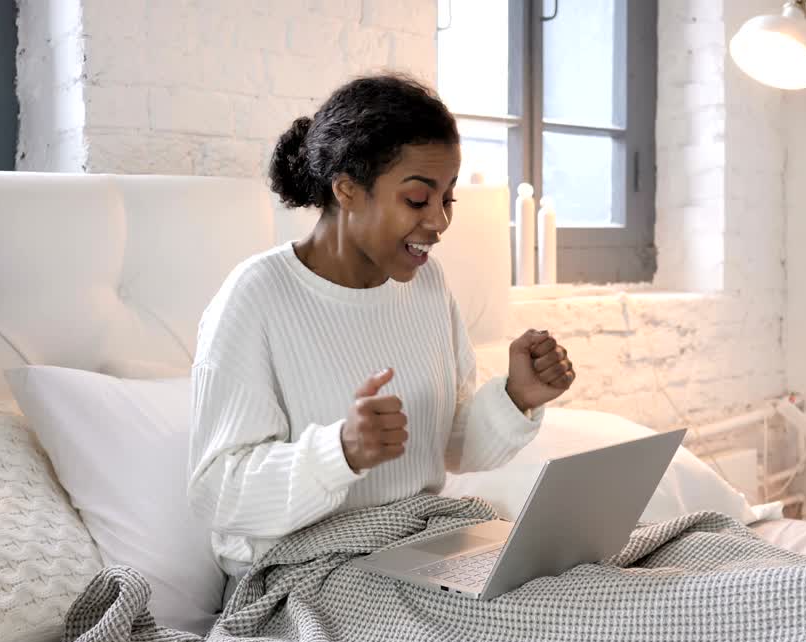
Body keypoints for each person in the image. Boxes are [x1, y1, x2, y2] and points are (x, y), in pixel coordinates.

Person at [188, 74, 576, 591]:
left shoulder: (427, 284)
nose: (438, 222)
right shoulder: (257, 297)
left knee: (609, 575)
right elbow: (216, 494)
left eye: (448, 199)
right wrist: (340, 451)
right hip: (306, 572)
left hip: (417, 546)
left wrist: (515, 396)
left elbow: (451, 447)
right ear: (347, 188)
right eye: (418, 200)